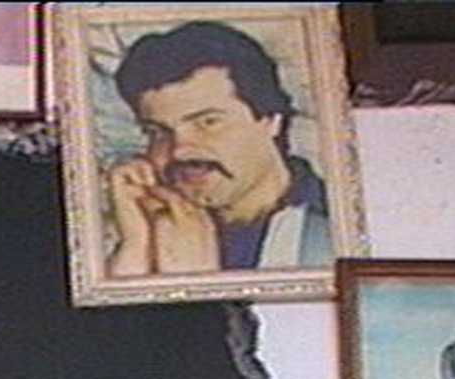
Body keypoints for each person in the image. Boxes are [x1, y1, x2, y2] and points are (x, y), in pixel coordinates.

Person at [104, 20, 332, 279]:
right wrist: (135, 244)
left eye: (208, 122)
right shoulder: (144, 222)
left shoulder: (337, 225)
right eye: (158, 132)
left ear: (271, 120)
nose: (179, 151)